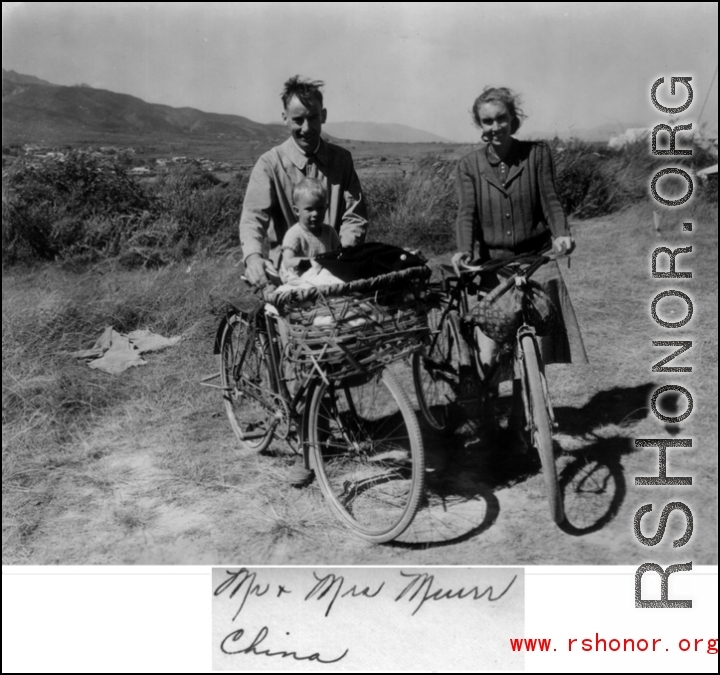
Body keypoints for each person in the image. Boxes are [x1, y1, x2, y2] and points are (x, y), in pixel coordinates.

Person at [453, 86, 588, 438]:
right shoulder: (469, 166)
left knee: (537, 344)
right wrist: (464, 250)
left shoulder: (537, 155)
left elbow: (551, 201)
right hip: (493, 266)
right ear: (479, 124)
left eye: (501, 118)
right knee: (489, 349)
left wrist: (562, 233)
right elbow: (466, 214)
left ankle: (521, 416)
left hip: (535, 260)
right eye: (487, 120)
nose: (495, 126)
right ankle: (483, 416)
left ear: (514, 119)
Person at [240, 75, 367, 288]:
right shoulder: (269, 164)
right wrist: (253, 257)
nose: (306, 128)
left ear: (323, 115)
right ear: (285, 117)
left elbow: (354, 215)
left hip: (333, 274)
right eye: (298, 120)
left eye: (313, 118)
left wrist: (341, 256)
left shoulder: (341, 160)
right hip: (287, 278)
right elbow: (253, 217)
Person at [281, 178, 340, 281]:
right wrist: (314, 261)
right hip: (302, 279)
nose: (315, 214)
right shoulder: (295, 234)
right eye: (309, 209)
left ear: (326, 208)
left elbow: (339, 254)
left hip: (325, 278)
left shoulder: (329, 232)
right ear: (297, 210)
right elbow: (288, 261)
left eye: (320, 208)